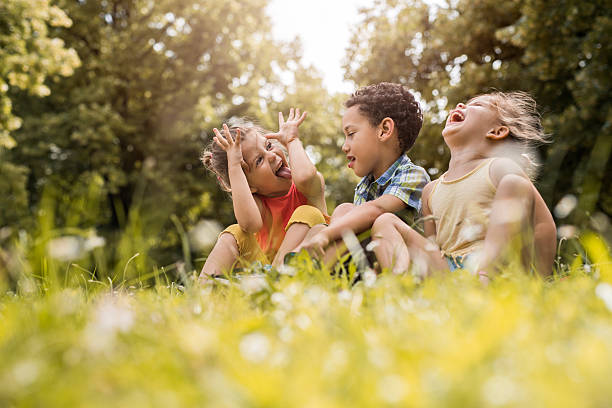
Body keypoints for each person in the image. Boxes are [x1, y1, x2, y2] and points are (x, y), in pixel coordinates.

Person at [370, 91, 557, 282]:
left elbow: (542, 224)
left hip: (501, 269)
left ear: (496, 131)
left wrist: (541, 277)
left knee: (514, 183)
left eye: (476, 105)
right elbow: (432, 247)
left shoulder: (499, 168)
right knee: (385, 221)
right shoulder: (431, 191)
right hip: (451, 273)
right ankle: (399, 288)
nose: (460, 105)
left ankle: (486, 279)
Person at [292, 83, 430, 267]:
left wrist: (326, 235)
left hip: (412, 264)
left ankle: (306, 270)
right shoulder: (365, 186)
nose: (344, 146)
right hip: (370, 261)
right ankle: (305, 269)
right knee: (342, 210)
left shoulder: (413, 175)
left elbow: (376, 210)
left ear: (384, 130)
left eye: (351, 134)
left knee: (350, 217)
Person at [199, 108, 329, 277]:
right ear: (248, 185)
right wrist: (235, 167)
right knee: (235, 232)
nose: (272, 156)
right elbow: (249, 224)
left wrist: (292, 139)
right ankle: (204, 290)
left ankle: (276, 279)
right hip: (265, 275)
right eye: (259, 160)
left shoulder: (308, 189)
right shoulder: (258, 206)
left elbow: (305, 177)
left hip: (312, 264)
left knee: (308, 212)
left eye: (268, 146)